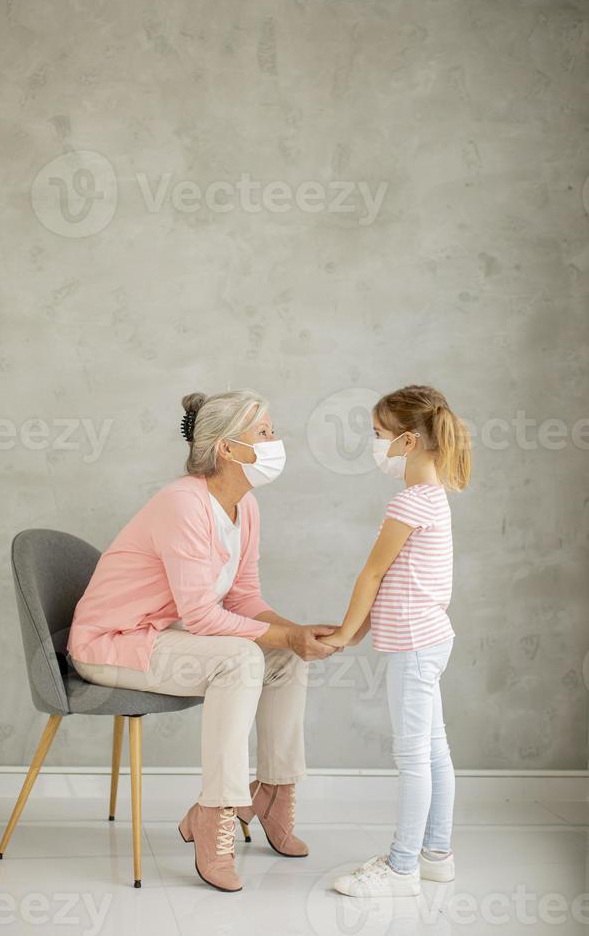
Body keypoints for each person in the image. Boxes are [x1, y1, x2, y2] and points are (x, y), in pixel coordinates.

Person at [66, 388, 338, 893]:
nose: (276, 441)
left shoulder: (245, 506)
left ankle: (275, 794)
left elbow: (244, 596)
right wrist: (285, 634)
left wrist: (294, 635)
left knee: (283, 657)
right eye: (264, 433)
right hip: (110, 643)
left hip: (158, 637)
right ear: (228, 449)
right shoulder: (181, 504)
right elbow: (202, 616)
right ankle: (216, 812)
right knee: (239, 659)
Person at [318, 384, 471, 899]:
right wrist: (352, 634)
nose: (373, 443)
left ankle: (403, 866)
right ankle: (436, 855)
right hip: (427, 639)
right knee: (433, 750)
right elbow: (391, 583)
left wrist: (343, 633)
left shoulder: (410, 502)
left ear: (407, 442)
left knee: (413, 758)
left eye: (378, 434)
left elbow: (372, 575)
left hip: (413, 645)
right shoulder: (434, 498)